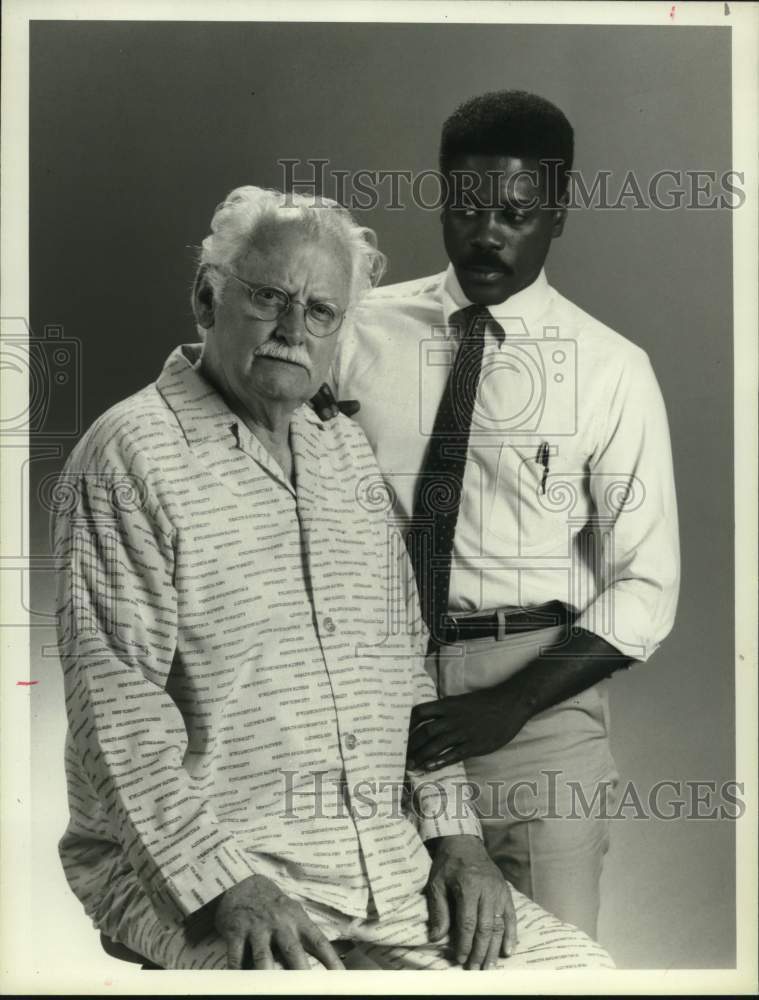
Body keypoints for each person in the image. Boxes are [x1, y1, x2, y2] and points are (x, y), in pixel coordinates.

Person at [52, 184, 614, 971]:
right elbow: (120, 715)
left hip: (382, 868)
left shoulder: (344, 455)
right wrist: (226, 886)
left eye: (320, 311)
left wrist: (455, 839)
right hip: (208, 875)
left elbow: (404, 673)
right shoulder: (130, 456)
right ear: (207, 297)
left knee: (581, 976)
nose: (292, 330)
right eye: (269, 299)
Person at [324, 90, 680, 939]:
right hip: (371, 697)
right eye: (467, 208)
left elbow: (645, 586)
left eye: (517, 213)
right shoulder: (356, 332)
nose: (487, 234)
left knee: (541, 963)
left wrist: (509, 705)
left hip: (535, 713)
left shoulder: (610, 370)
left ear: (557, 212)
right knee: (371, 953)